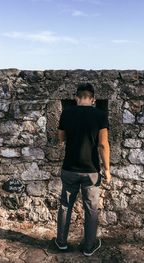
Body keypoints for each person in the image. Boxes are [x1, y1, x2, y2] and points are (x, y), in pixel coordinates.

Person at [55, 83, 111, 257]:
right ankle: (89, 246)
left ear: (76, 98)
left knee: (65, 205)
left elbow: (61, 138)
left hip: (70, 168)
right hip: (91, 170)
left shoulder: (67, 113)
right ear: (93, 99)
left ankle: (61, 242)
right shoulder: (100, 115)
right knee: (91, 208)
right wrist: (107, 169)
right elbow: (103, 144)